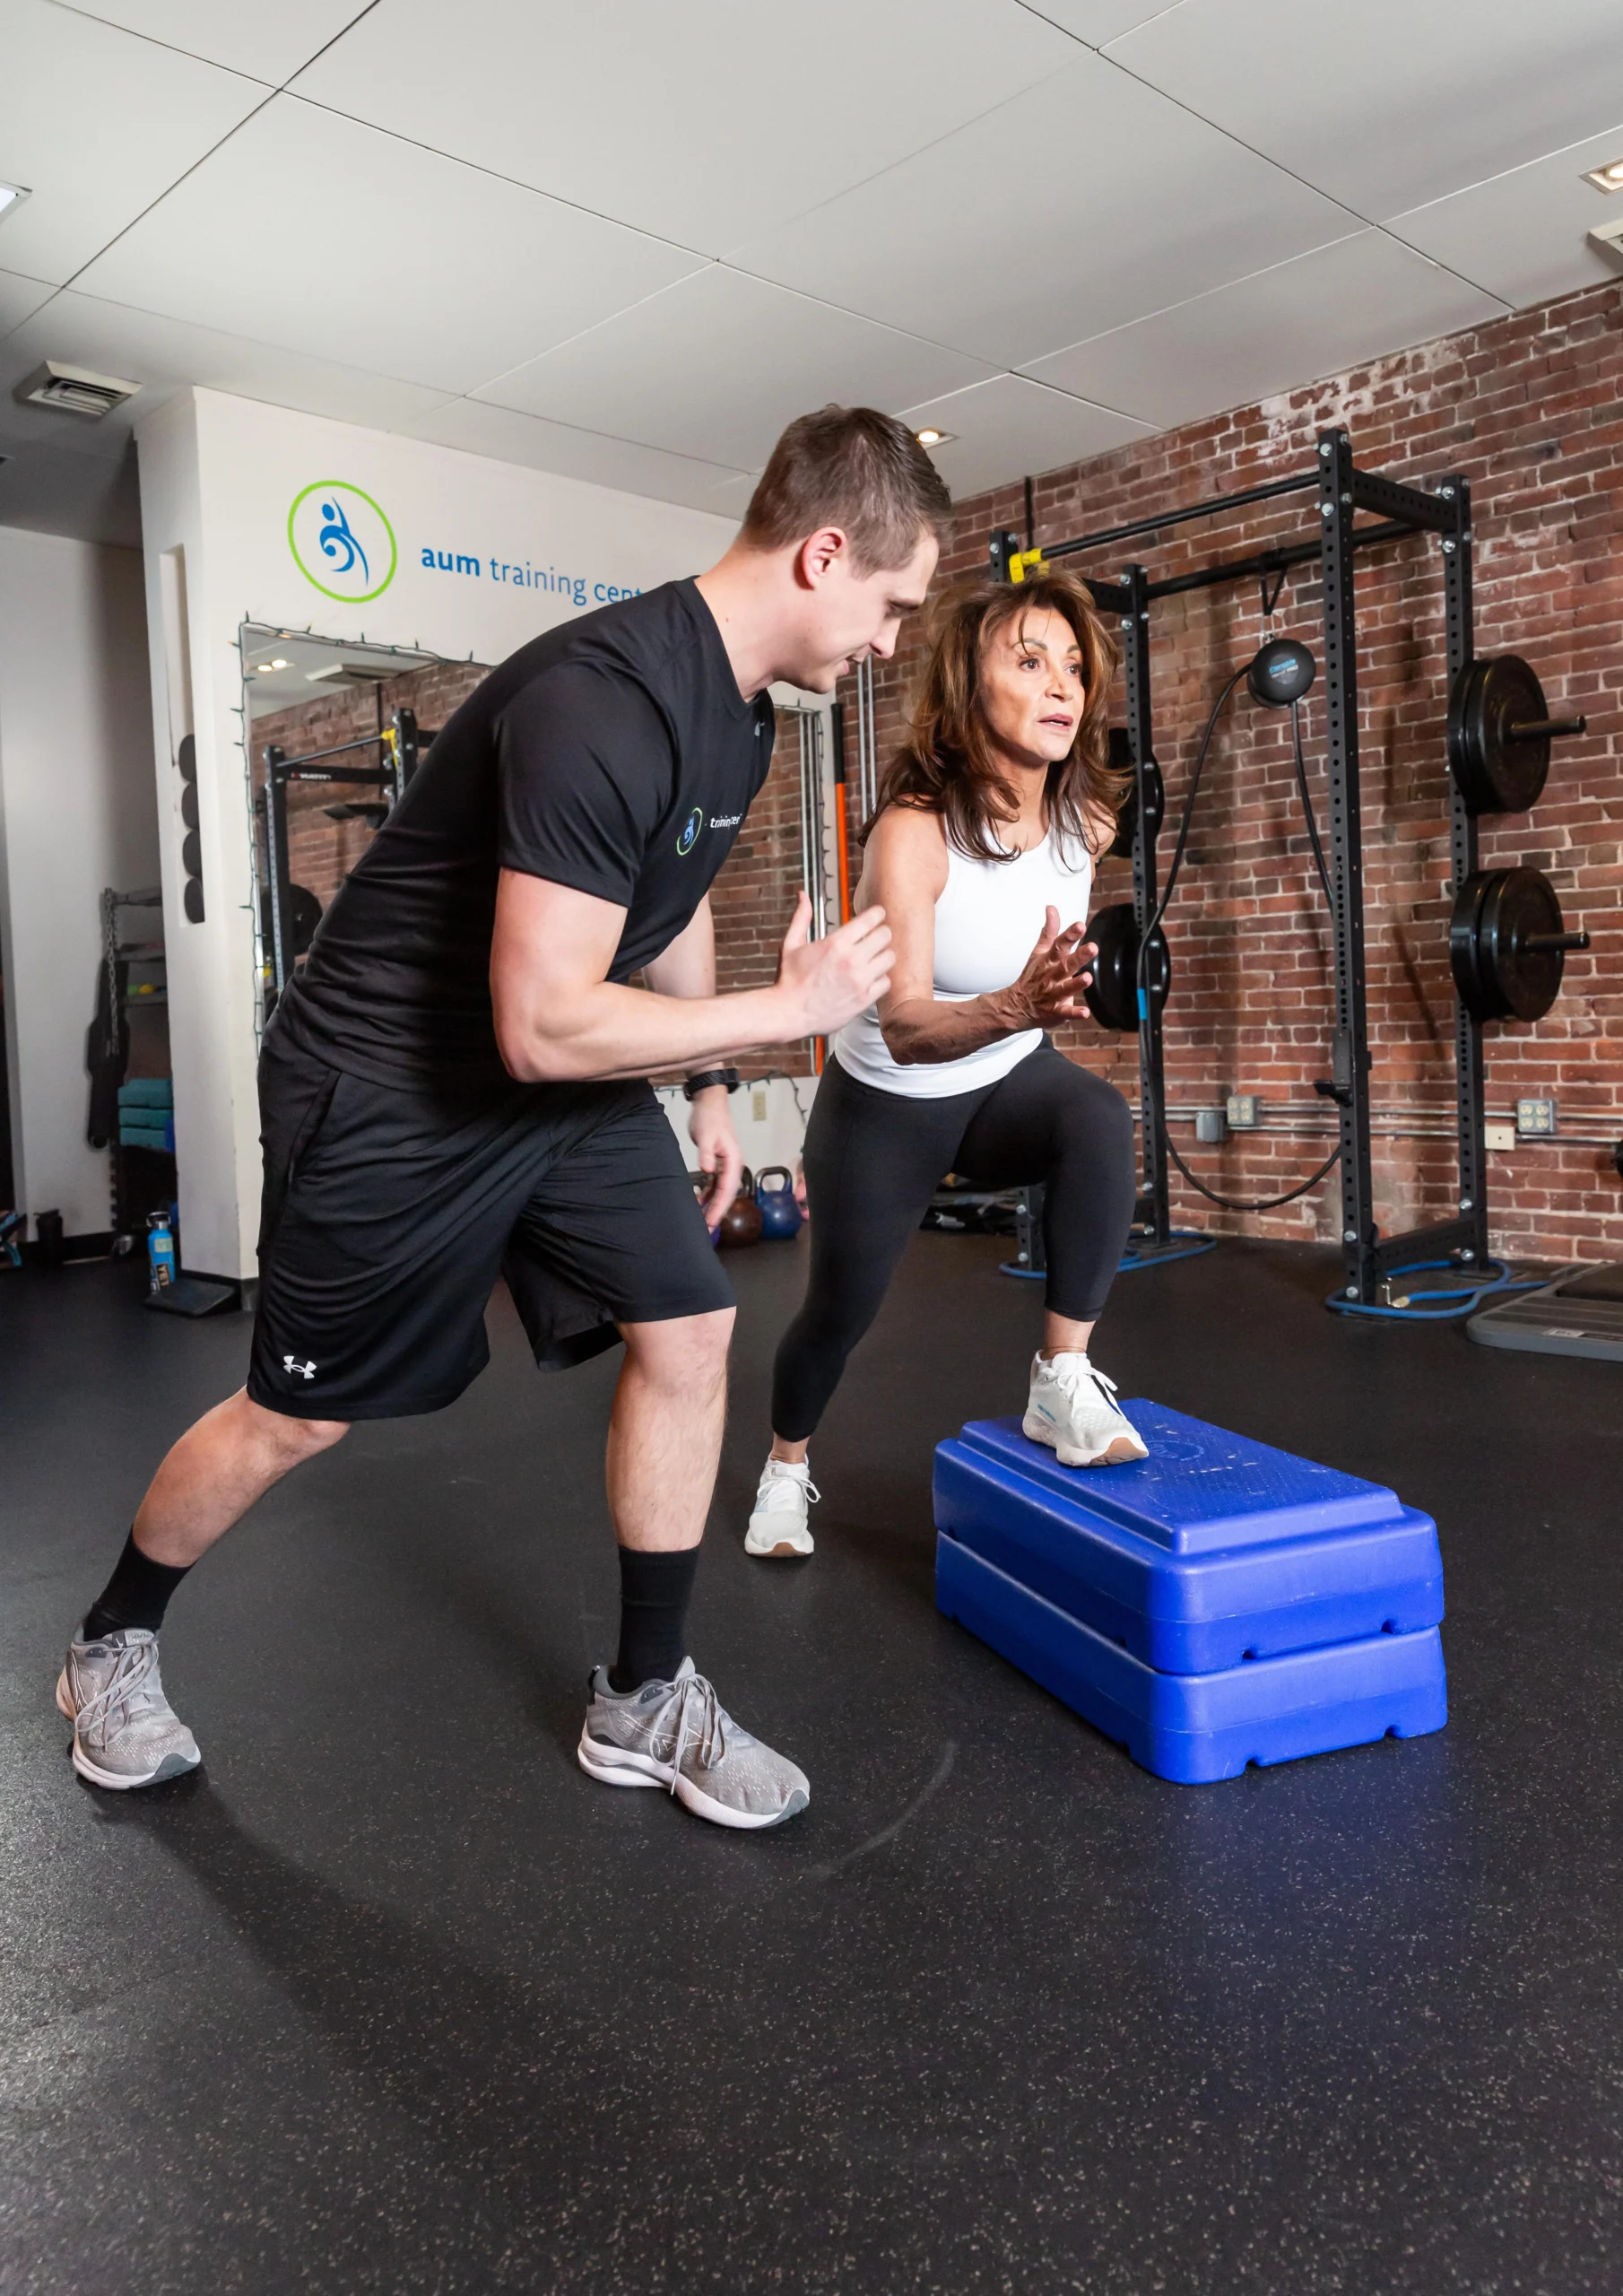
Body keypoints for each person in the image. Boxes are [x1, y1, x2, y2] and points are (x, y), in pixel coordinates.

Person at [57, 405, 950, 1827]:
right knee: (300, 1420)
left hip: (553, 1075)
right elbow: (542, 1026)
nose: (892, 641)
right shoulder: (598, 697)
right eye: (893, 606)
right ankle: (111, 1640)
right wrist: (781, 1023)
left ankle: (642, 1699)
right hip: (395, 1083)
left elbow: (675, 899)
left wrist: (712, 1084)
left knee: (694, 1322)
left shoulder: (740, 722)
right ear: (823, 553)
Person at [745, 570, 1146, 1563]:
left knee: (1096, 1116)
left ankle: (1062, 1377)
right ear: (971, 689)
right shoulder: (913, 833)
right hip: (891, 1097)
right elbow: (914, 1023)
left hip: (1007, 1076)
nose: (1062, 685)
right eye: (1028, 660)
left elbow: (1036, 984)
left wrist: (1036, 1006)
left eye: (1073, 665)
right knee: (838, 1311)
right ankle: (786, 1466)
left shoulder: (1086, 823)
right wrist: (1020, 1000)